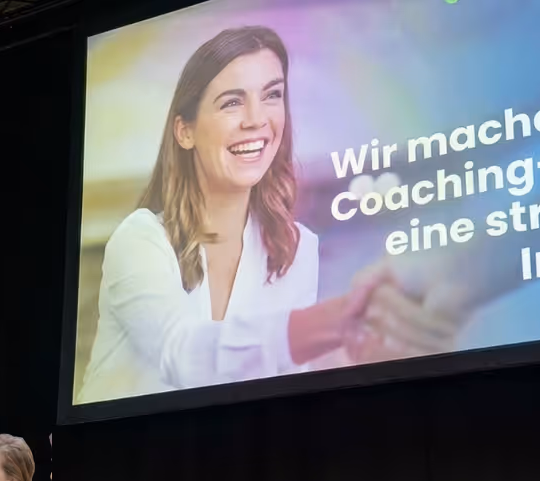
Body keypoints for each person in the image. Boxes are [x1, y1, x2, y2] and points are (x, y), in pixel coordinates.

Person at [79, 26, 397, 404]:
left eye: (272, 95)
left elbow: (284, 383)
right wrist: (330, 320)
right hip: (125, 456)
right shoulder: (141, 238)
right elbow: (182, 355)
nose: (256, 119)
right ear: (185, 131)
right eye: (232, 102)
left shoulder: (299, 247)